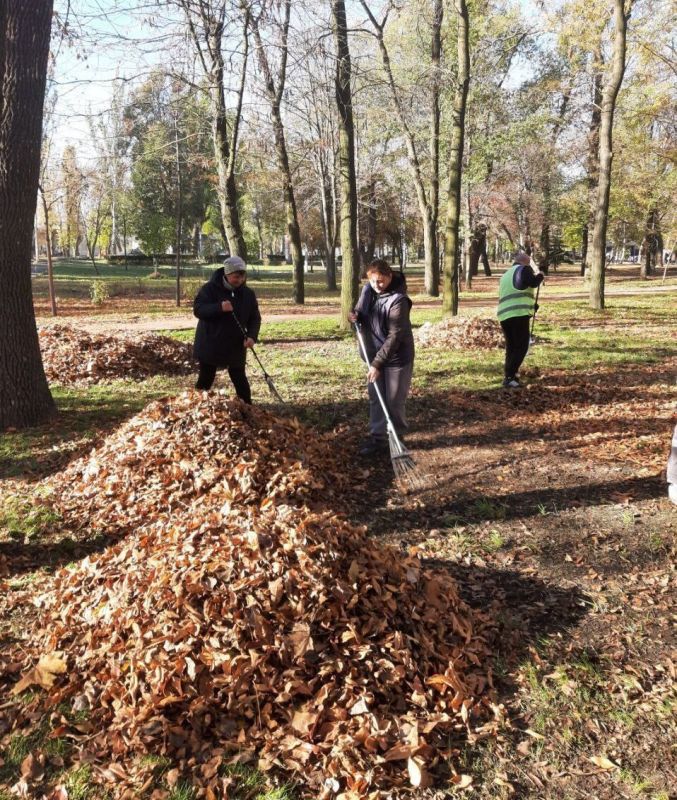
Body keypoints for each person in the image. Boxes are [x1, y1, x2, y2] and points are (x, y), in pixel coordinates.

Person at [349, 259, 414, 456]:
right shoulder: (367, 291)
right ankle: (378, 439)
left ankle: (397, 438)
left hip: (396, 358)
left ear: (389, 276)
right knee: (376, 397)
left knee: (394, 400)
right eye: (373, 281)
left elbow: (395, 336)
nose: (377, 286)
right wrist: (354, 317)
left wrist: (378, 363)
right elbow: (360, 313)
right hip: (373, 355)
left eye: (381, 281)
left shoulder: (399, 301)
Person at [193, 255, 261, 403]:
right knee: (206, 378)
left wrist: (251, 336)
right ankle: (194, 405)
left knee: (239, 377)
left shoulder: (248, 294)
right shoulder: (209, 289)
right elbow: (198, 310)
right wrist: (219, 307)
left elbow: (255, 318)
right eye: (236, 277)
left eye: (242, 277)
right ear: (227, 274)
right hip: (211, 342)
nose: (240, 281)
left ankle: (248, 408)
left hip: (235, 344)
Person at [497, 251, 544, 388]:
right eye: (529, 261)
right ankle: (510, 376)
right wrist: (540, 276)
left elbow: (517, 291)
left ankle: (510, 376)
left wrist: (531, 305)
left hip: (504, 315)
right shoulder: (524, 269)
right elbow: (533, 283)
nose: (530, 264)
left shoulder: (505, 275)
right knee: (521, 346)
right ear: (525, 261)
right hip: (518, 313)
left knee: (511, 347)